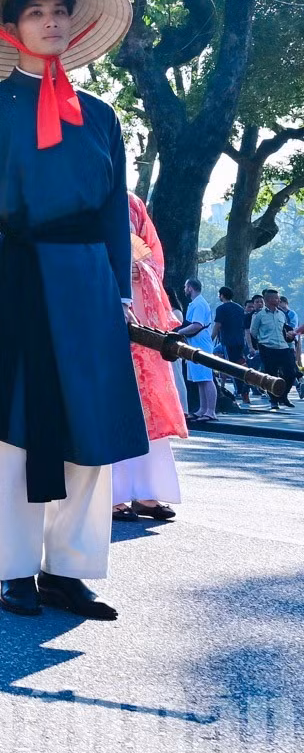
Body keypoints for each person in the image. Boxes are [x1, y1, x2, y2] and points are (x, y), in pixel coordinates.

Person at [0, 0, 147, 621]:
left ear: (74, 24)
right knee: (18, 425)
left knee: (88, 423)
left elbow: (115, 211)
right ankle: (14, 570)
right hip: (20, 275)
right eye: (36, 13)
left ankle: (69, 569)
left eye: (60, 12)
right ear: (13, 29)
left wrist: (120, 290)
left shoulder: (100, 115)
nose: (50, 21)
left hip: (90, 280)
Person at [111, 194, 188, 522]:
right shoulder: (78, 192)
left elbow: (153, 252)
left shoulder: (131, 202)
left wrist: (140, 269)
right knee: (110, 404)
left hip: (141, 312)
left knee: (149, 405)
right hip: (100, 307)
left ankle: (147, 492)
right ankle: (111, 493)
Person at [250, 285, 298, 406]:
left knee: (291, 373)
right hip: (267, 347)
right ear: (268, 300)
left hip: (282, 346)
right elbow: (253, 332)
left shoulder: (281, 314)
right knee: (271, 374)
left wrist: (289, 337)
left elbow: (284, 330)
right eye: (276, 298)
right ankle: (274, 400)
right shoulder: (259, 315)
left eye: (278, 298)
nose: (278, 300)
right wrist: (262, 341)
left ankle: (284, 396)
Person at [178, 279, 217, 422]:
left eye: (185, 286)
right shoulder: (195, 303)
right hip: (195, 343)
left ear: (191, 287)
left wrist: (179, 332)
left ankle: (211, 411)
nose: (184, 289)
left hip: (201, 343)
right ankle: (202, 409)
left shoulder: (200, 304)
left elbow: (197, 325)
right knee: (199, 379)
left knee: (206, 377)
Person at [211, 286, 249, 407]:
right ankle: (245, 390)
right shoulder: (239, 308)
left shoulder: (221, 309)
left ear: (222, 295)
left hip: (228, 341)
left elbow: (217, 325)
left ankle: (242, 392)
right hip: (240, 341)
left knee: (232, 368)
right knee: (240, 365)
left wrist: (210, 339)